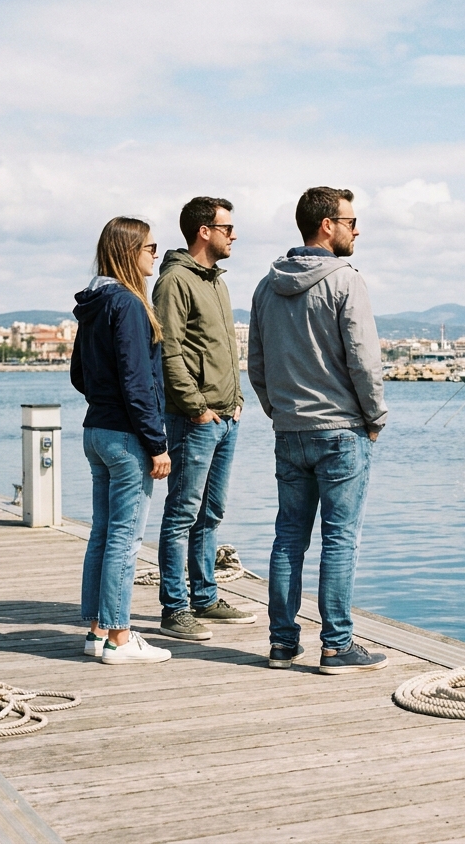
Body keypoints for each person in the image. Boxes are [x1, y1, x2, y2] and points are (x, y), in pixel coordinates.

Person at [248, 187, 389, 674]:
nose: (357, 230)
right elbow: (365, 360)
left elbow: (257, 365)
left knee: (288, 537)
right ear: (326, 225)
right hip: (341, 430)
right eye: (351, 220)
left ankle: (283, 644)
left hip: (290, 431)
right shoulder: (346, 281)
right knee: (339, 539)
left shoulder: (266, 287)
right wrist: (375, 417)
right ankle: (336, 646)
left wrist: (278, 411)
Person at [153, 196, 255, 641]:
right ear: (204, 231)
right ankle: (175, 609)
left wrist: (236, 402)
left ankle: (206, 598)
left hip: (225, 417)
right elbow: (168, 351)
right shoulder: (176, 281)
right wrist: (198, 408)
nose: (234, 235)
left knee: (211, 513)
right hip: (195, 420)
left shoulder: (216, 281)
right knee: (181, 514)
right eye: (227, 228)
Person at [71, 217, 172, 665]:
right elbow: (137, 382)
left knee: (102, 533)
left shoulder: (93, 303)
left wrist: (103, 399)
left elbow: (78, 374)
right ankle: (119, 637)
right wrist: (157, 443)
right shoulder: (128, 304)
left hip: (96, 431)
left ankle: (95, 631)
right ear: (130, 251)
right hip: (128, 438)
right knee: (125, 540)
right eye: (151, 247)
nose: (155, 254)